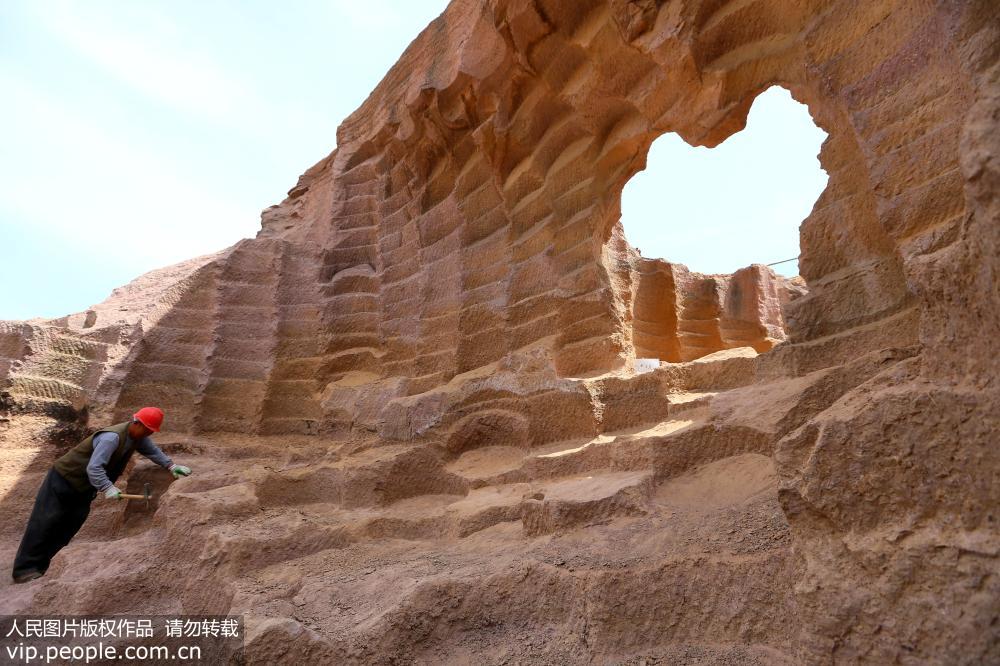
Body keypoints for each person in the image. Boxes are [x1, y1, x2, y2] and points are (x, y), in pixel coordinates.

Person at [10, 407, 192, 584]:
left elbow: (152, 451)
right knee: (45, 522)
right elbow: (94, 468)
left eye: (151, 431)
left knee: (70, 526)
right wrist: (108, 487)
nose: (149, 434)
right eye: (148, 430)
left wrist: (171, 466)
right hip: (63, 479)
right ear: (137, 423)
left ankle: (46, 565)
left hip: (83, 488)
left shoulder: (138, 437)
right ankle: (25, 570)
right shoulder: (111, 438)